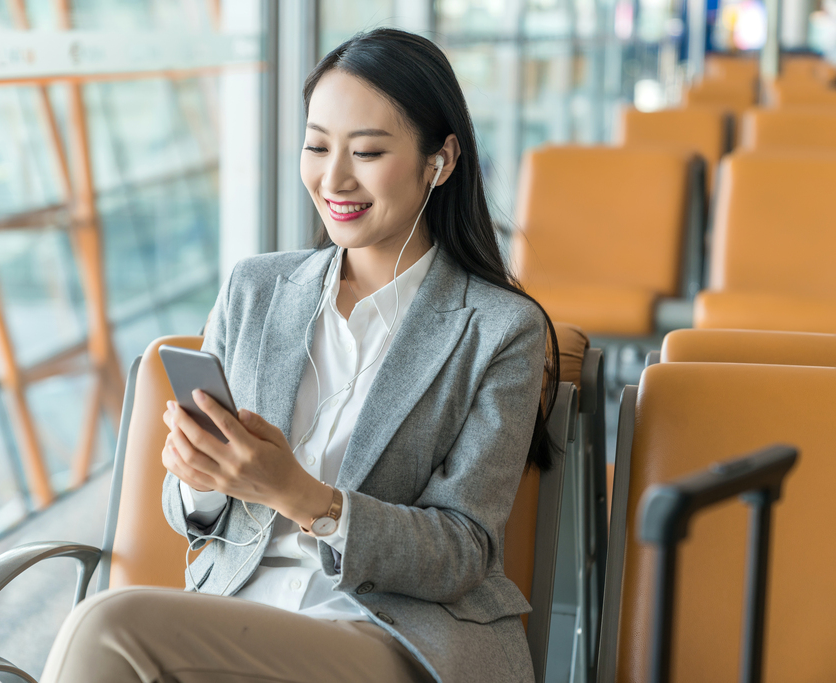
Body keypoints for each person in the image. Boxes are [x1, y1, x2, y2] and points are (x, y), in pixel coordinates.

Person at [39, 27, 559, 683]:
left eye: (367, 151)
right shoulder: (254, 290)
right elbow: (193, 518)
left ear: (441, 160)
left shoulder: (499, 329)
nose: (334, 176)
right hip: (235, 619)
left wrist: (301, 494)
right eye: (317, 146)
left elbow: (463, 550)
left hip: (390, 635)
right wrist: (202, 479)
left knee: (105, 626)